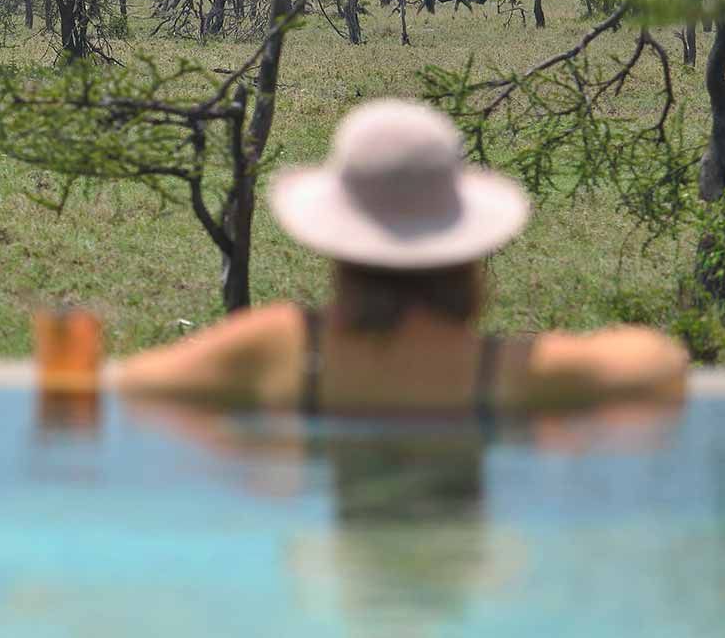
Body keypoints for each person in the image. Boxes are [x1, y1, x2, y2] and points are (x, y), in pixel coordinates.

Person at [111, 99, 688, 414]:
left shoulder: (278, 347)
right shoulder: (512, 374)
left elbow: (129, 385)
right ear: (467, 248)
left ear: (338, 246)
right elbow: (660, 361)